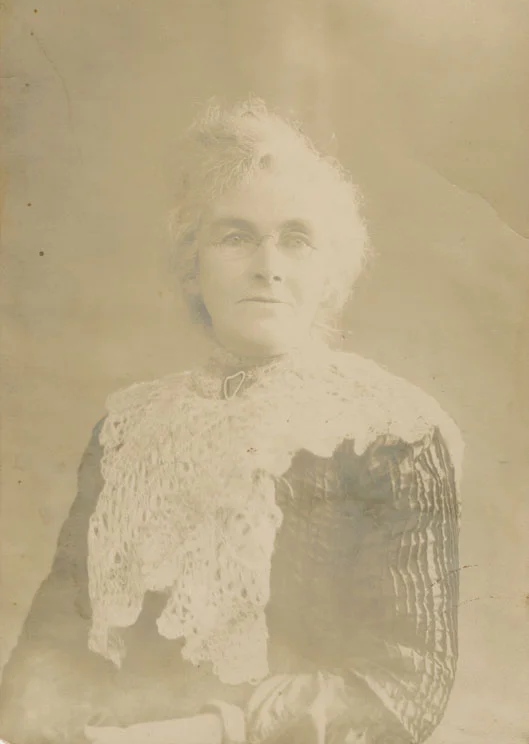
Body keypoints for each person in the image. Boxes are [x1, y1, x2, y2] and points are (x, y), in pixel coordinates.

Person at [0, 100, 463, 744]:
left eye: (296, 239)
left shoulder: (389, 433)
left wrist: (206, 731)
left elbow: (404, 687)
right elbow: (53, 642)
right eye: (236, 236)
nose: (268, 265)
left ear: (329, 272)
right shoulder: (129, 430)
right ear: (193, 265)